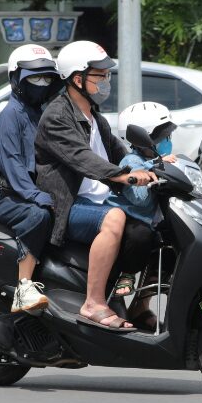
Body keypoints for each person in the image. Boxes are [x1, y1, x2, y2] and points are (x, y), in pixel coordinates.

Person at [35, 40, 156, 332]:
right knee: (115, 219)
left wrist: (157, 161)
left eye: (107, 75)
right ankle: (93, 302)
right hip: (68, 206)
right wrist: (123, 176)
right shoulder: (56, 116)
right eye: (99, 75)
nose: (106, 81)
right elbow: (83, 158)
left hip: (97, 202)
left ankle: (139, 304)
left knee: (155, 228)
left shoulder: (94, 115)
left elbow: (119, 151)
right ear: (78, 78)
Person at [0, 44, 61, 314]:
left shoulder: (40, 114)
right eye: (34, 77)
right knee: (39, 215)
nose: (41, 84)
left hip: (30, 194)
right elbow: (11, 164)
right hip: (9, 196)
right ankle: (24, 287)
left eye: (47, 78)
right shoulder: (10, 116)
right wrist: (35, 196)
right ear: (16, 78)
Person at [106, 102, 178, 330]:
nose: (167, 141)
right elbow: (139, 198)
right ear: (144, 139)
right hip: (129, 221)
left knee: (173, 241)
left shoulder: (156, 160)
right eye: (162, 136)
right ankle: (122, 280)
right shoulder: (131, 162)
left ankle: (141, 305)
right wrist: (155, 165)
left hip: (149, 220)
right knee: (142, 236)